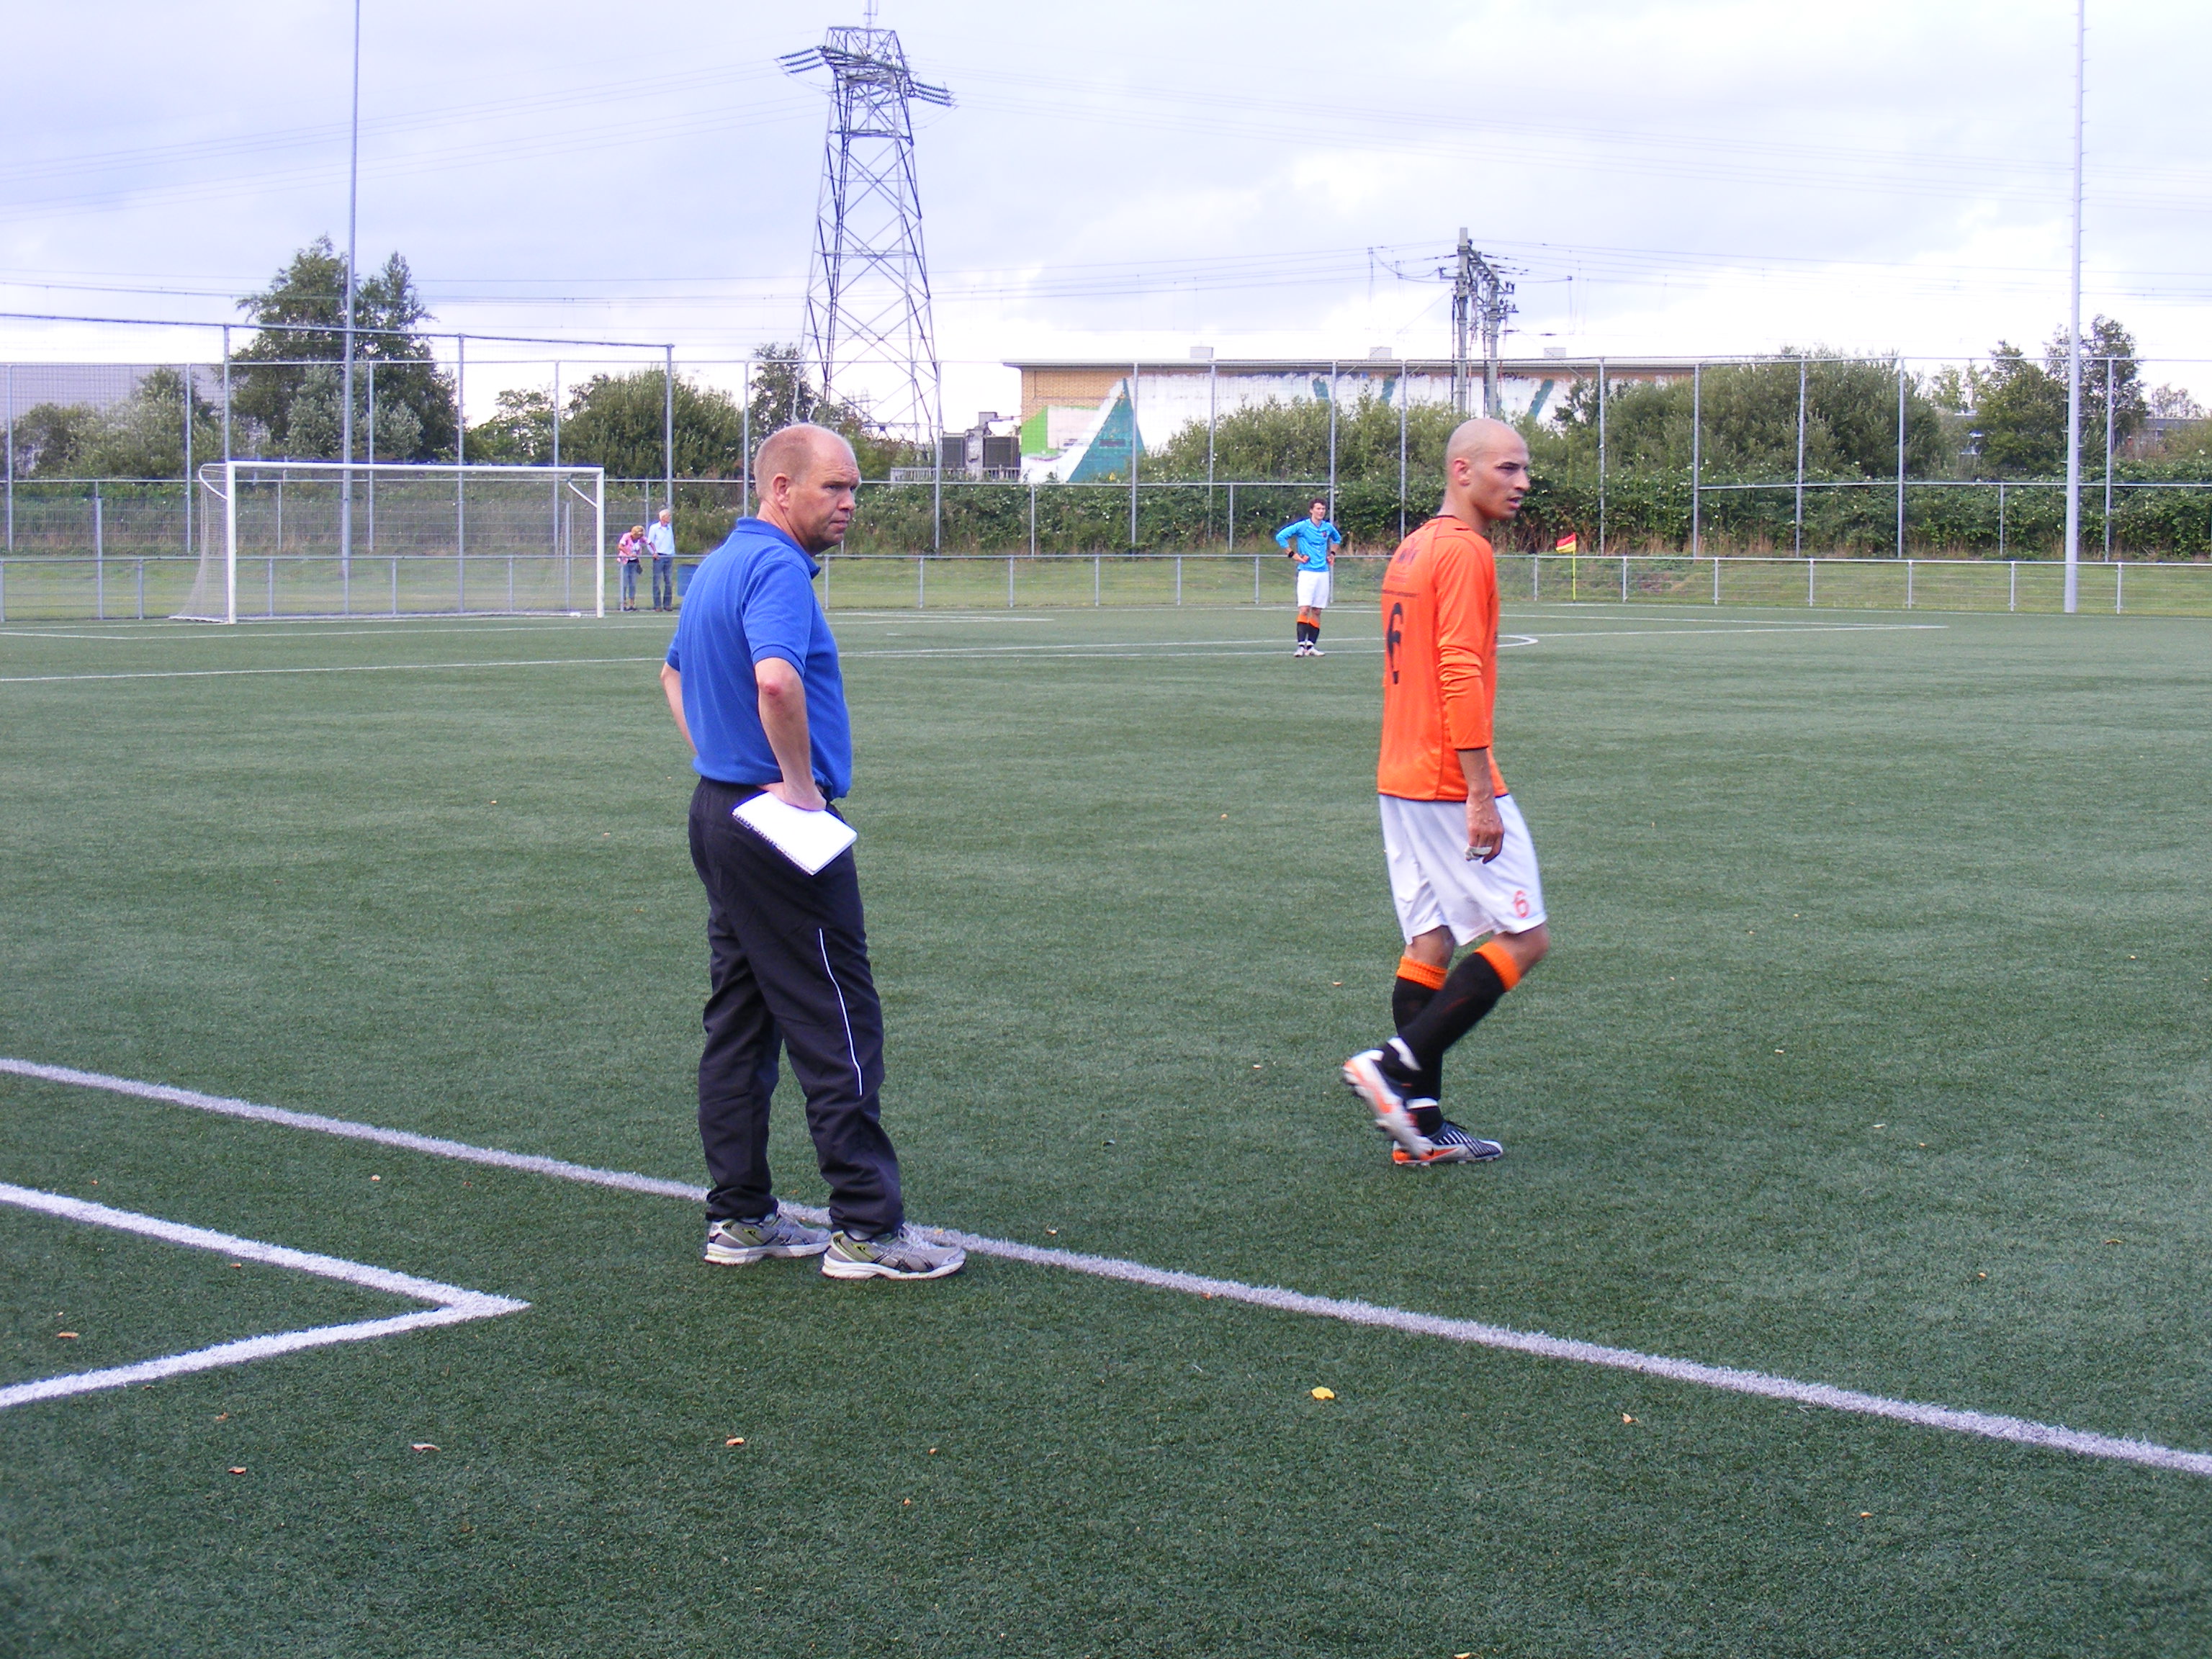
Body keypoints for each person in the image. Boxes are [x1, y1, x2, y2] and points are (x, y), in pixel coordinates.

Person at [659, 423, 965, 1281]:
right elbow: (775, 679)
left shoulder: (719, 563)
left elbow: (672, 675)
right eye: (834, 486)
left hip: (720, 810)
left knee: (741, 1021)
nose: (849, 503)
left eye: (854, 487)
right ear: (780, 488)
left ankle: (740, 1217)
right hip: (778, 827)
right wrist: (796, 786)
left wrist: (722, 758)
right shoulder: (777, 568)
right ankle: (867, 1228)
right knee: (837, 1018)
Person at [1340, 418, 1550, 1166]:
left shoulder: (1415, 545)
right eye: (1508, 467)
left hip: (1399, 771)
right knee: (1526, 937)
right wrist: (1480, 792)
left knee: (1430, 939)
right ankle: (1393, 1066)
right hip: (1442, 777)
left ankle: (1419, 1130)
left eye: (1525, 469)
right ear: (1462, 470)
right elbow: (1459, 668)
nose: (1522, 482)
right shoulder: (1464, 549)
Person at [1274, 498, 1342, 656]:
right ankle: (1300, 646)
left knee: (1317, 610)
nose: (1321, 511)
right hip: (1307, 572)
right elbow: (1281, 537)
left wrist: (1332, 553)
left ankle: (1311, 646)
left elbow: (1337, 539)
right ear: (1311, 510)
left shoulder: (1327, 527)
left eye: (1323, 509)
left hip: (1323, 573)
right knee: (1305, 609)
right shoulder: (1303, 526)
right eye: (1318, 509)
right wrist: (1293, 555)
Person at [647, 507, 677, 611]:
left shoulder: (669, 528)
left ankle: (667, 604)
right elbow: (649, 542)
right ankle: (657, 605)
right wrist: (654, 553)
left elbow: (671, 542)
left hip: (669, 556)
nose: (670, 518)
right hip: (659, 557)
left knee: (669, 581)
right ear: (663, 517)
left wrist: (673, 553)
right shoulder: (654, 528)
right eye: (668, 516)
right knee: (657, 581)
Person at [616, 524, 646, 611]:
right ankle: (623, 604)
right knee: (624, 583)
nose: (639, 537)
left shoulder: (640, 539)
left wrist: (655, 552)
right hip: (625, 562)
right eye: (638, 534)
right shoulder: (626, 536)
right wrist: (629, 554)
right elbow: (620, 546)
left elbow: (649, 542)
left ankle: (632, 604)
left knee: (633, 583)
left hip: (634, 562)